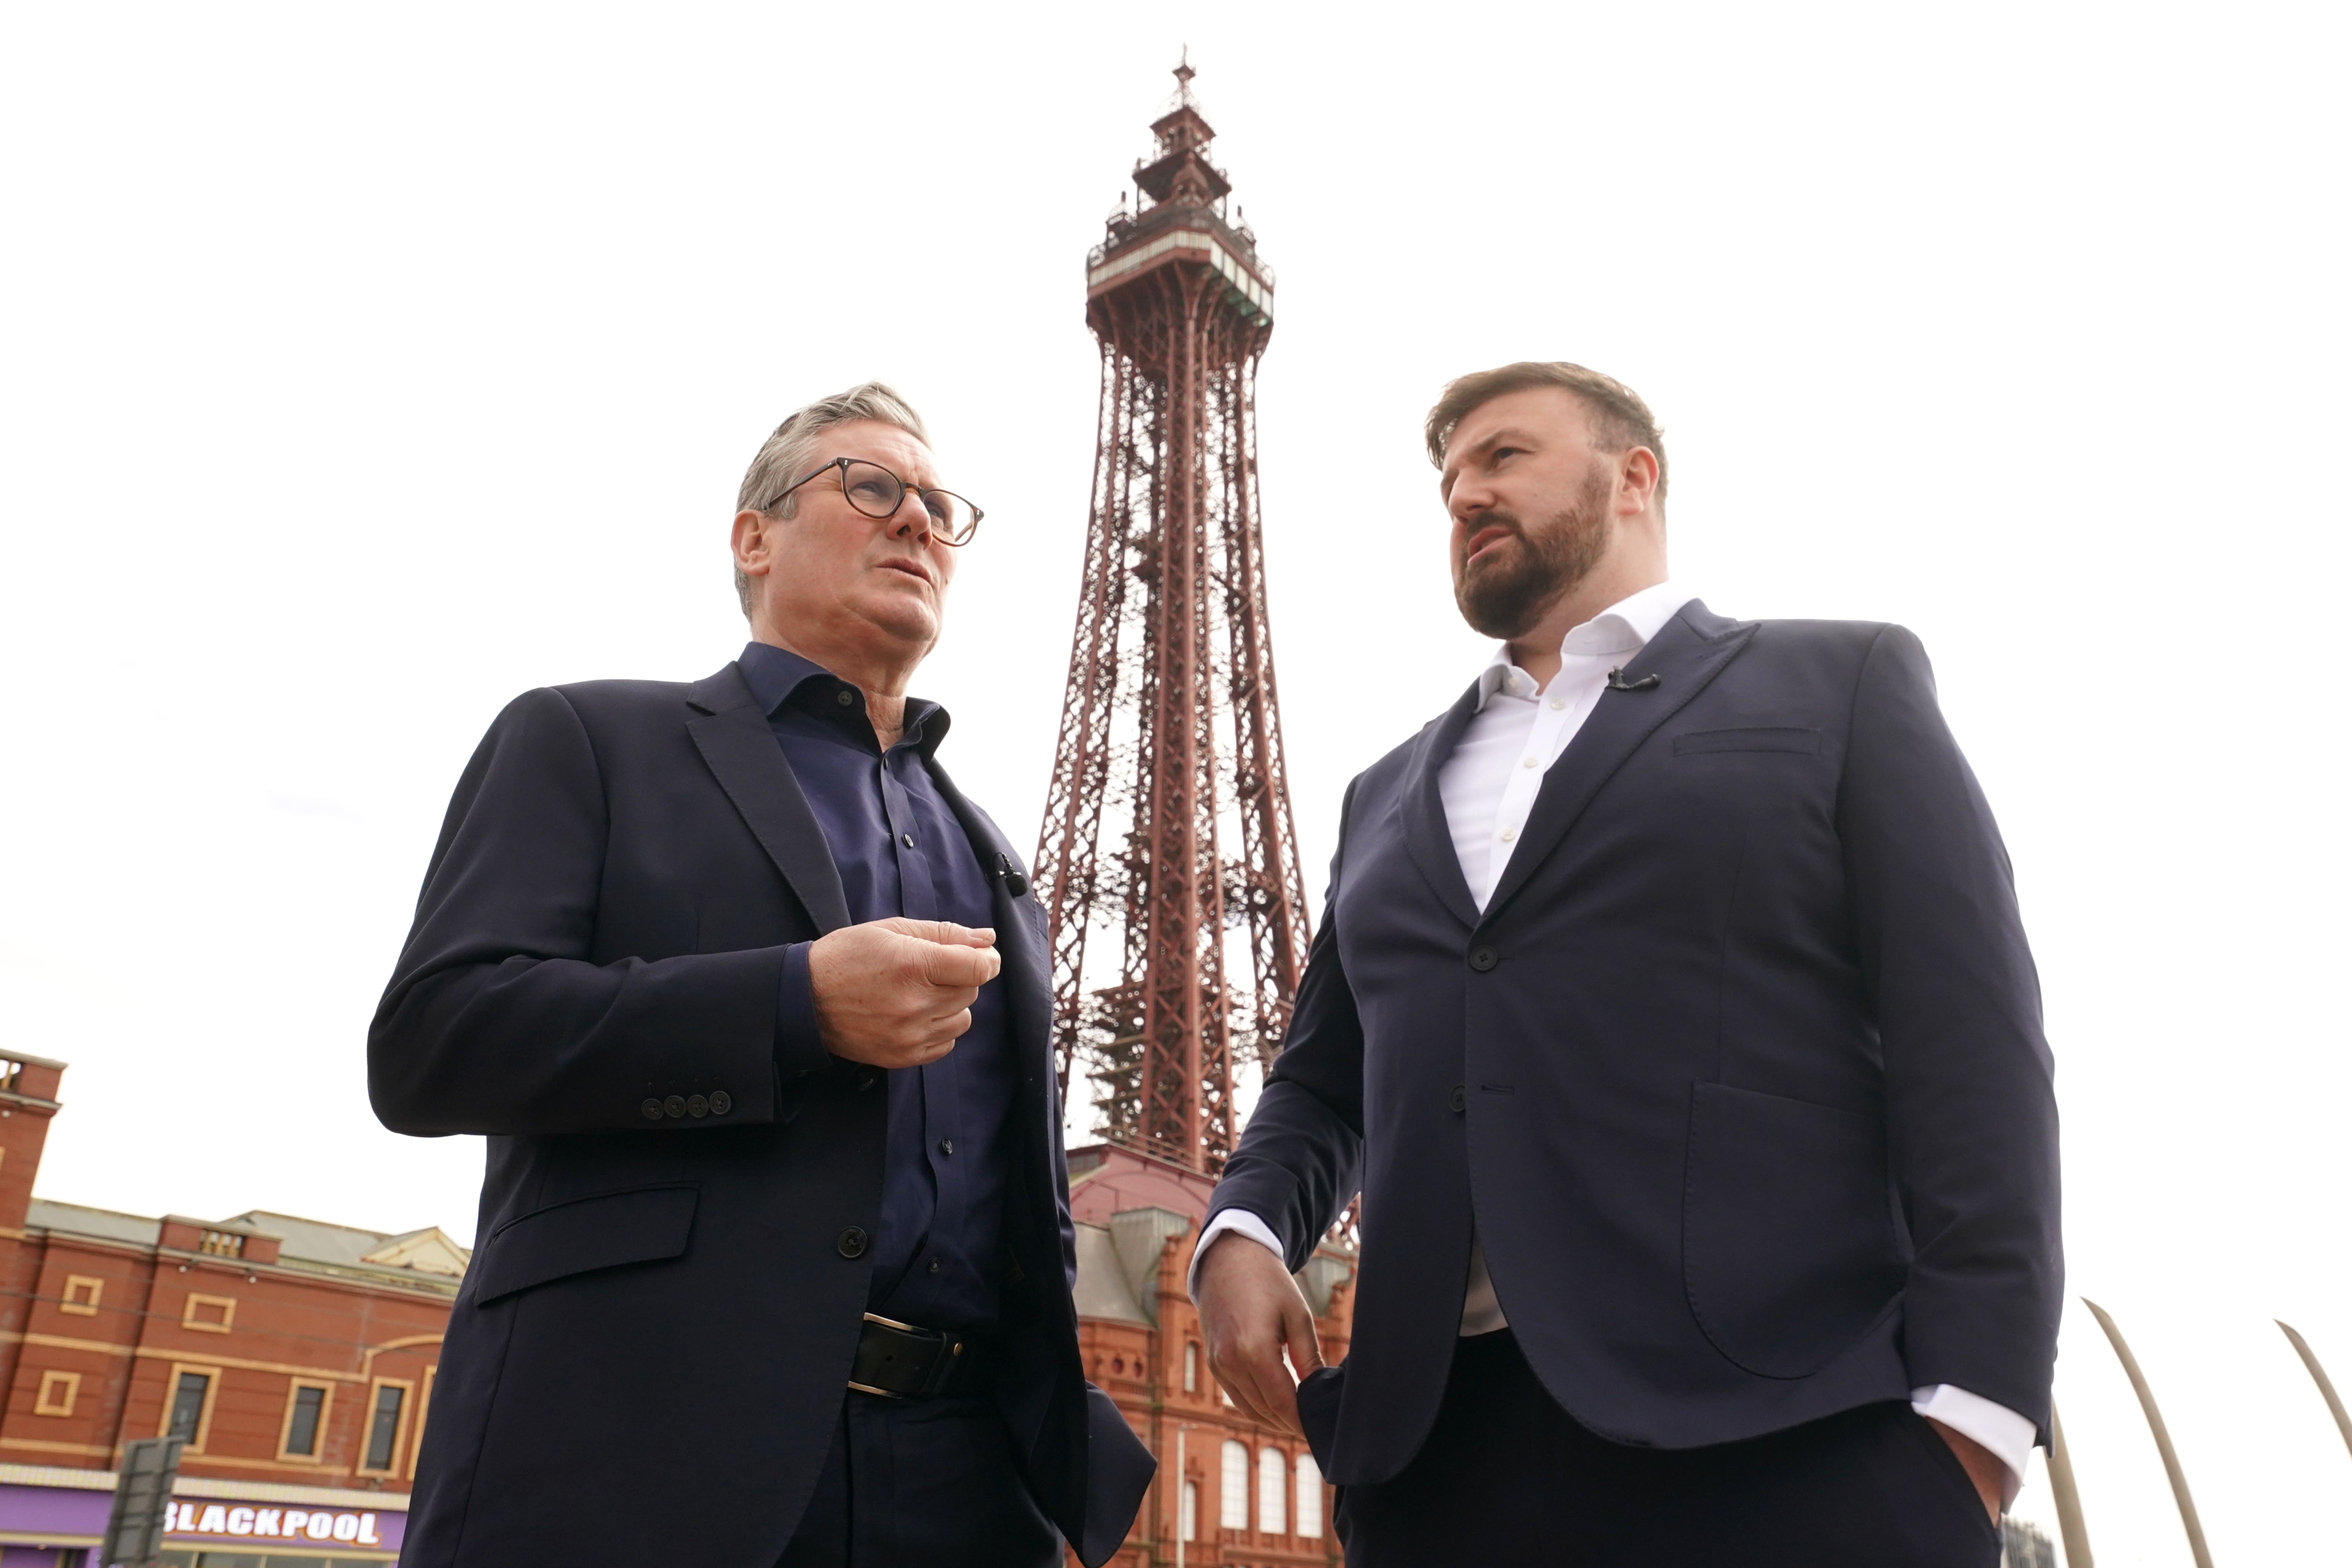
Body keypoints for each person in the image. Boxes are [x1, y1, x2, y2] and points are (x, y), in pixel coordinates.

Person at [1192, 362, 2060, 1565]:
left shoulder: (1839, 682)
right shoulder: (1385, 794)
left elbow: (1973, 1052)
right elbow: (1324, 1082)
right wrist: (1241, 1227)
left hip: (1787, 1433)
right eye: (1447, 480)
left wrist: (1978, 1417)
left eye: (1504, 457)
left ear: (1634, 478)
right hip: (1442, 1462)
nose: (1464, 496)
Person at [370, 383, 1152, 1568]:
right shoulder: (590, 738)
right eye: (874, 488)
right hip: (641, 1454)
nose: (917, 523)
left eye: (941, 508)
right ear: (754, 536)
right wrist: (792, 1004)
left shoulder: (994, 852)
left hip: (968, 1489)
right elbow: (433, 1043)